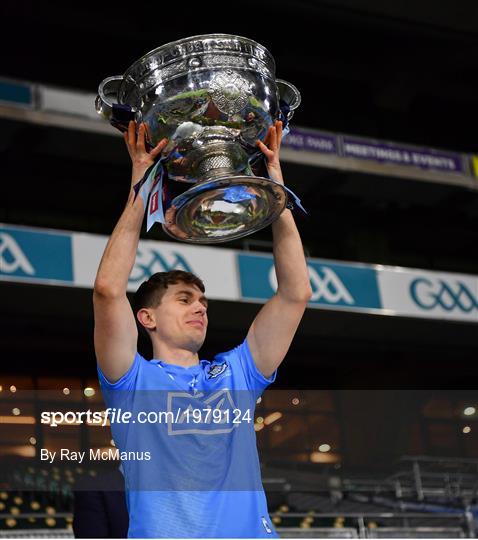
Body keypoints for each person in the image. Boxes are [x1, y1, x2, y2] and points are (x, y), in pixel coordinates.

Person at [93, 119, 312, 538]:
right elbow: (107, 290)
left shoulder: (237, 374)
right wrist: (141, 187)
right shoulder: (132, 382)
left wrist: (274, 190)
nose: (200, 309)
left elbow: (295, 293)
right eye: (184, 299)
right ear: (147, 318)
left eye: (203, 303)